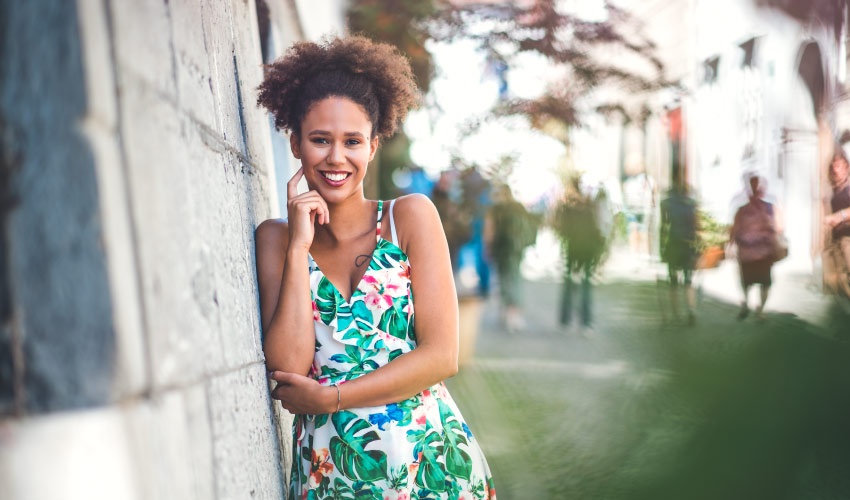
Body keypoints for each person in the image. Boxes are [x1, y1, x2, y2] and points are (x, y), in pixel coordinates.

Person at [254, 37, 495, 499]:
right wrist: (298, 249)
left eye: (352, 141)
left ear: (374, 144)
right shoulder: (276, 239)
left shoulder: (409, 217)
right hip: (332, 474)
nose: (336, 158)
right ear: (296, 143)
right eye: (320, 140)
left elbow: (442, 356)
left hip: (429, 463)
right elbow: (288, 366)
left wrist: (333, 398)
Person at [730, 175, 781, 321]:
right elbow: (735, 229)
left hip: (761, 252)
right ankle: (753, 308)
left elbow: (778, 227)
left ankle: (756, 309)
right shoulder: (745, 210)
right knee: (753, 281)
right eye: (753, 187)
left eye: (756, 187)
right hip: (751, 252)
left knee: (759, 282)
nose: (754, 191)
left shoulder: (768, 208)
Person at [660, 184, 699, 325]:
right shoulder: (691, 205)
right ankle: (691, 310)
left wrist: (661, 248)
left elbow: (663, 227)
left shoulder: (666, 204)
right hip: (687, 245)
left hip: (673, 244)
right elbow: (696, 226)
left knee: (673, 281)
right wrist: (697, 248)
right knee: (689, 280)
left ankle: (676, 313)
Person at [825, 147, 850, 295]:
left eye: (839, 166)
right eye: (833, 166)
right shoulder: (835, 189)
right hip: (838, 240)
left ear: (846, 167)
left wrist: (838, 216)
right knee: (842, 277)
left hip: (848, 238)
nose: (835, 170)